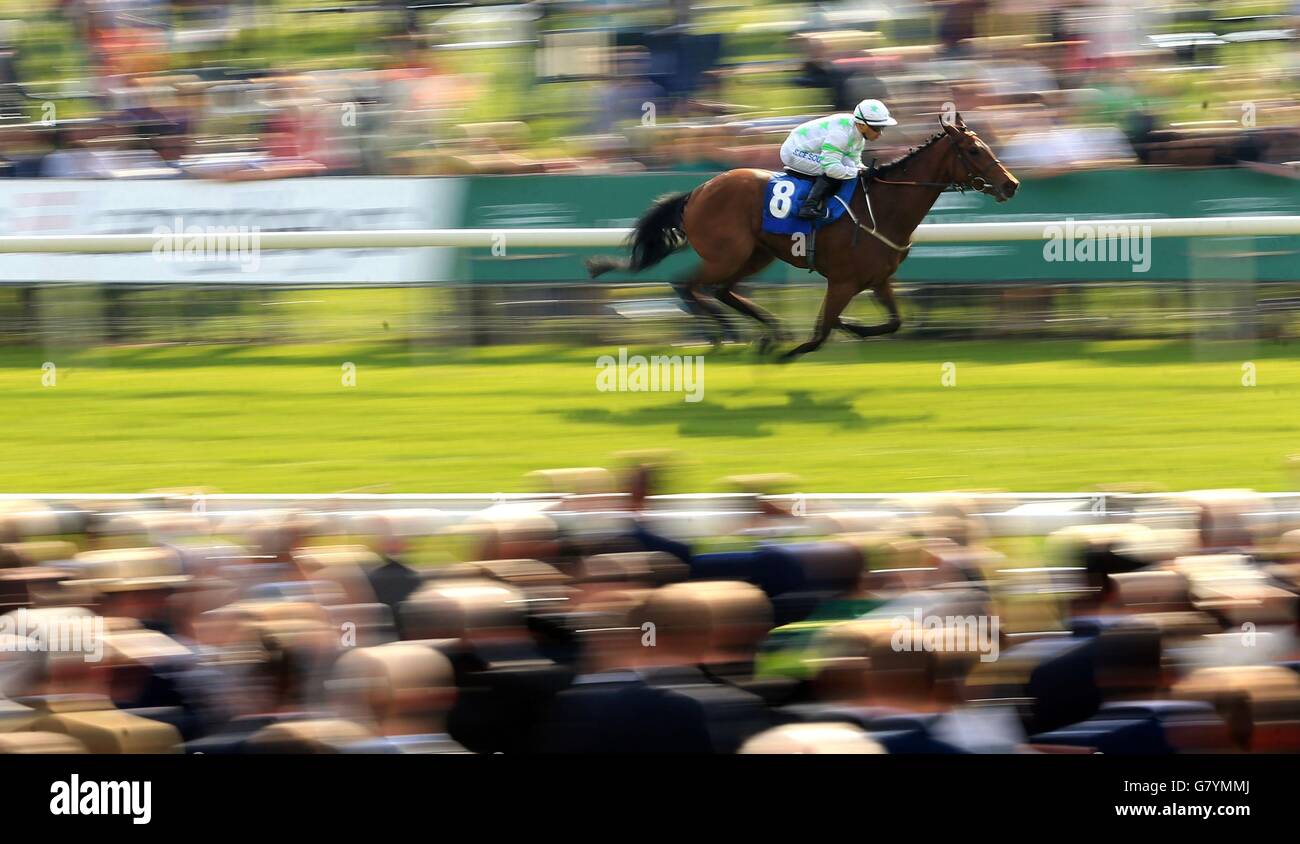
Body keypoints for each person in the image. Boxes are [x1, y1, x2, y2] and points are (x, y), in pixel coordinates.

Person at [780, 99, 897, 219]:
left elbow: (854, 163)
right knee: (833, 170)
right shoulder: (841, 135)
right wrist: (859, 172)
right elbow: (831, 169)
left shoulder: (858, 136)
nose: (880, 133)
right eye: (877, 128)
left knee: (845, 169)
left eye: (882, 127)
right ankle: (809, 207)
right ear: (862, 125)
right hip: (793, 151)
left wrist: (866, 170)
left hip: (809, 149)